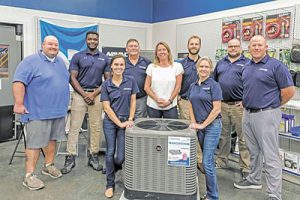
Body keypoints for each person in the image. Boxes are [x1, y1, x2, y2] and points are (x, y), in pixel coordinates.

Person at [234, 35, 295, 200]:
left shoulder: (276, 66)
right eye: (253, 45)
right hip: (248, 114)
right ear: (249, 48)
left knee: (270, 155)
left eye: (259, 45)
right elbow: (250, 87)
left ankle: (274, 194)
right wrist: (246, 101)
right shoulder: (246, 66)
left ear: (266, 47)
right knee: (253, 151)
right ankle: (254, 179)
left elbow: (289, 91)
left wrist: (272, 104)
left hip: (266, 114)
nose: (256, 47)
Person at [13, 36, 70, 190]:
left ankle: (48, 166)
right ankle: (29, 176)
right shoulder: (30, 61)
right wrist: (18, 103)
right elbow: (19, 82)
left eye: (56, 44)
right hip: (37, 112)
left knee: (52, 140)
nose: (53, 47)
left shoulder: (60, 63)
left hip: (57, 111)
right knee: (34, 144)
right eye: (50, 44)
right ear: (43, 45)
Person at [61, 31, 110, 174]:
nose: (92, 41)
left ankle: (93, 156)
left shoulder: (105, 58)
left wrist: (93, 94)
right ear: (86, 40)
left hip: (97, 95)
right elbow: (72, 78)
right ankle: (70, 157)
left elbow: (107, 80)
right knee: (74, 127)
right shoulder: (78, 56)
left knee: (95, 127)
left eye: (95, 39)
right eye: (90, 39)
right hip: (79, 95)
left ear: (98, 41)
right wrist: (84, 94)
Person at [100, 55, 139, 198]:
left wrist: (129, 119)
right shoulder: (106, 85)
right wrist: (119, 123)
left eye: (121, 65)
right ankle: (110, 184)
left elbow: (133, 102)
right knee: (110, 153)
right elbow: (107, 108)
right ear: (111, 66)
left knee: (120, 157)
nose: (119, 67)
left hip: (125, 122)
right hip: (111, 123)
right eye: (116, 64)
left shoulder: (131, 81)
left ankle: (112, 168)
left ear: (125, 66)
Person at [213, 39, 250, 179]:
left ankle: (245, 167)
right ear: (227, 48)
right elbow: (214, 82)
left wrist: (245, 100)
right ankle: (222, 161)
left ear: (241, 48)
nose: (233, 48)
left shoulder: (247, 63)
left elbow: (251, 84)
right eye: (230, 46)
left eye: (236, 46)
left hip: (239, 106)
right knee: (223, 136)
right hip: (222, 105)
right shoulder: (221, 63)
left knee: (243, 138)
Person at [189, 56, 222, 200]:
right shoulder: (193, 86)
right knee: (205, 160)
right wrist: (194, 123)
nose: (203, 69)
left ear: (210, 69)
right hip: (200, 127)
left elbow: (216, 109)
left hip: (212, 126)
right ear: (197, 69)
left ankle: (213, 196)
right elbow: (190, 104)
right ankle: (210, 193)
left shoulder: (214, 86)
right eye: (201, 66)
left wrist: (202, 125)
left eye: (206, 67)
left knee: (207, 162)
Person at [178, 35, 204, 173]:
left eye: (196, 44)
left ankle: (198, 158)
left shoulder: (204, 63)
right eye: (192, 44)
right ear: (188, 46)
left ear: (200, 46)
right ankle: (197, 160)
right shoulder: (181, 64)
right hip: (185, 102)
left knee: (201, 132)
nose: (194, 46)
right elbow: (178, 83)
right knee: (190, 130)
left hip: (202, 104)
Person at [144, 41, 183, 119]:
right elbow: (146, 87)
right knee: (154, 130)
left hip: (171, 106)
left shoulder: (177, 66)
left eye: (164, 49)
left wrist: (169, 101)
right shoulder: (151, 67)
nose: (162, 52)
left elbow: (178, 86)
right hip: (153, 105)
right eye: (159, 50)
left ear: (168, 52)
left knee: (171, 130)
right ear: (156, 53)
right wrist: (157, 99)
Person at [124, 38, 151, 118]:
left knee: (139, 124)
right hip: (125, 99)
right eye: (131, 46)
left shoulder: (147, 62)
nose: (133, 48)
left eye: (135, 46)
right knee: (125, 121)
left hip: (141, 99)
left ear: (139, 49)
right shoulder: (122, 62)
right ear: (126, 49)